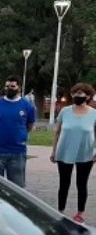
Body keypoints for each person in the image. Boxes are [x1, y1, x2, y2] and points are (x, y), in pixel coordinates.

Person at [50, 83, 96, 223]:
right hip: (64, 152)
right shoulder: (65, 111)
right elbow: (57, 132)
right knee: (64, 183)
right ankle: (60, 210)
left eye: (81, 94)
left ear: (88, 96)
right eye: (75, 93)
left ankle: (80, 212)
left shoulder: (94, 114)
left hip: (86, 152)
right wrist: (54, 151)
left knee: (82, 184)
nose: (77, 96)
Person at [0, 76, 35, 187]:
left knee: (17, 188)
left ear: (19, 87)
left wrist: (19, 136)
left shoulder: (27, 106)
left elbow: (29, 126)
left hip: (17, 152)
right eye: (7, 86)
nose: (9, 88)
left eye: (12, 86)